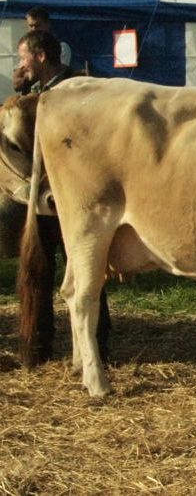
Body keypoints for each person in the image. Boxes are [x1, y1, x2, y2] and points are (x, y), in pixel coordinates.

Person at [16, 30, 111, 363]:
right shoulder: (32, 93)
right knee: (41, 269)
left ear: (41, 56)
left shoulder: (78, 90)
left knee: (87, 269)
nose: (20, 65)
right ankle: (40, 345)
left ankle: (97, 344)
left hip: (77, 197)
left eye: (24, 58)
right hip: (44, 196)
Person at [13, 6, 72, 94]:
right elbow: (16, 84)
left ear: (47, 24)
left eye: (37, 25)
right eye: (31, 26)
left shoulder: (62, 47)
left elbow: (58, 74)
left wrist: (32, 74)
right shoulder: (26, 49)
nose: (33, 29)